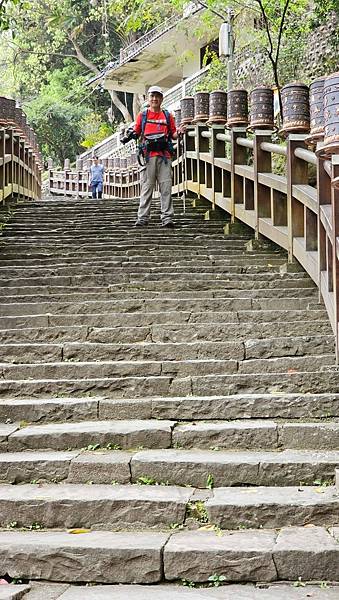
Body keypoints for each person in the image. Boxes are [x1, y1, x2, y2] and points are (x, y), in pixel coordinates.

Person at [133, 86, 184, 228]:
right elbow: (136, 132)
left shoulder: (167, 116)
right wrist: (129, 135)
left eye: (157, 96)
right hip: (148, 156)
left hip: (164, 156)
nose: (154, 99)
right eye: (152, 96)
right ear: (148, 99)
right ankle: (142, 217)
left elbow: (173, 134)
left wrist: (179, 132)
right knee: (147, 187)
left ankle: (167, 217)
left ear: (161, 98)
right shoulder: (142, 116)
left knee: (166, 187)